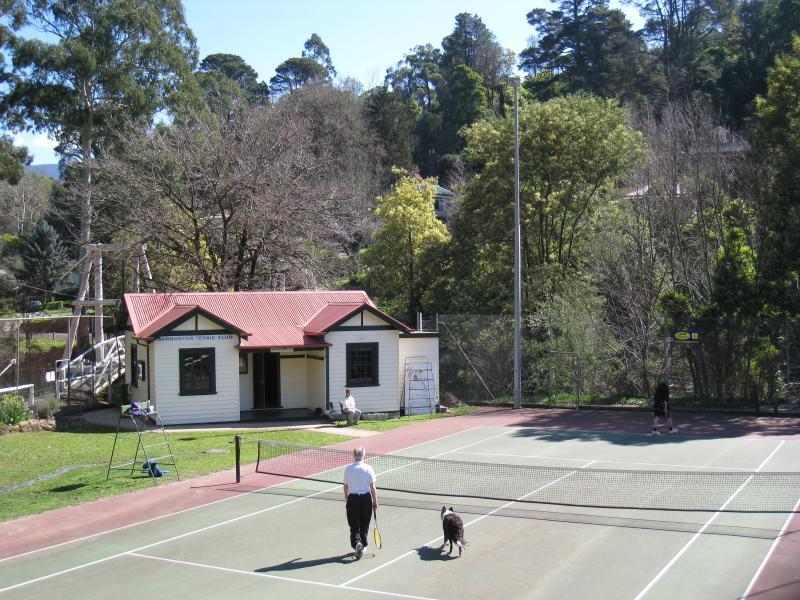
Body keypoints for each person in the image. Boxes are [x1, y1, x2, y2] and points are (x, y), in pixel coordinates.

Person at [343, 447, 378, 559]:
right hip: (365, 499)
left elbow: (346, 486)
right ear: (364, 455)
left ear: (353, 455)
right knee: (364, 523)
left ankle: (357, 543)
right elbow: (372, 487)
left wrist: (346, 497)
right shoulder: (368, 468)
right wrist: (375, 501)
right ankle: (362, 543)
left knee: (354, 525)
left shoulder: (348, 469)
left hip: (352, 499)